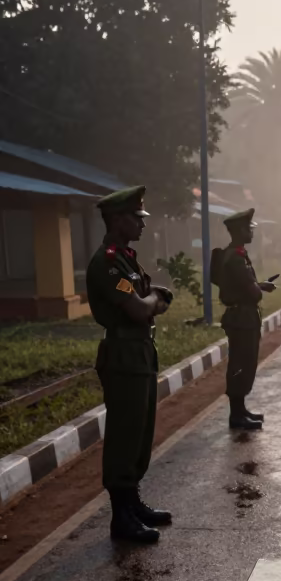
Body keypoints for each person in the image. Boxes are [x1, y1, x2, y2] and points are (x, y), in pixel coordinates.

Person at [86, 185, 173, 543]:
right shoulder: (107, 261)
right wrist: (153, 298)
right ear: (117, 219)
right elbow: (139, 307)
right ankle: (120, 517)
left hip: (139, 353)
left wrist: (150, 300)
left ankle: (132, 501)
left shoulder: (125, 259)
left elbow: (144, 303)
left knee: (140, 433)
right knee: (124, 435)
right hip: (123, 357)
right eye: (136, 218)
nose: (142, 224)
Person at [215, 207, 277, 430]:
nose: (252, 232)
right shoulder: (235, 258)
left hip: (245, 316)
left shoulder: (237, 254)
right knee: (240, 364)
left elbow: (245, 286)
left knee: (246, 363)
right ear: (239, 230)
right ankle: (236, 414)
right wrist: (258, 289)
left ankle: (241, 410)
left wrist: (259, 285)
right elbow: (251, 292)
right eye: (248, 229)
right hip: (241, 318)